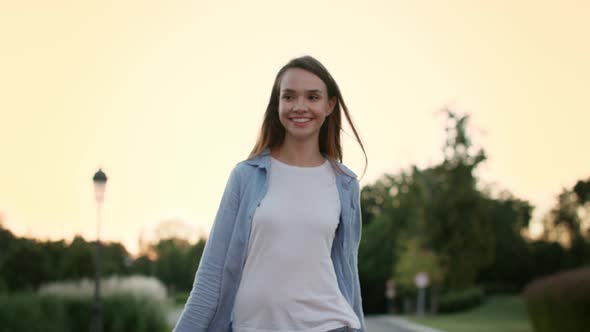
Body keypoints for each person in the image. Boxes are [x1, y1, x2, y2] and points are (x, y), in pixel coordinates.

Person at [173, 55, 368, 332]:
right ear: (277, 104)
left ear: (329, 105)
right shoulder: (246, 176)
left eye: (312, 97)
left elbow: (348, 273)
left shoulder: (345, 184)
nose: (300, 106)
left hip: (329, 325)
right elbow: (211, 276)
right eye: (289, 97)